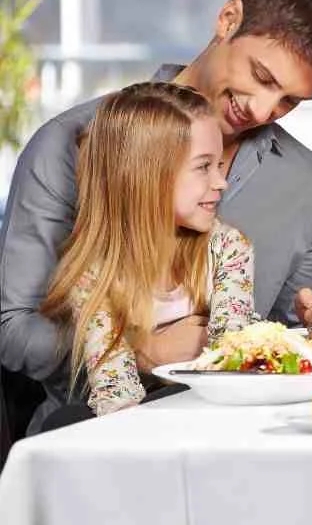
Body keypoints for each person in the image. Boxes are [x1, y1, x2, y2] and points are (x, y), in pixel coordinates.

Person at [0, 0, 312, 433]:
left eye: (290, 101)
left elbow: (285, 342)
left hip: (250, 436)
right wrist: (142, 351)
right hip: (94, 432)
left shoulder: (310, 183)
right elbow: (11, 331)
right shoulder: (71, 143)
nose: (262, 110)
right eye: (263, 77)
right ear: (228, 19)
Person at [40, 83, 254, 418]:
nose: (221, 182)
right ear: (147, 176)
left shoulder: (228, 248)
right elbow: (116, 390)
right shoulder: (94, 272)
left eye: (219, 164)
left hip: (212, 411)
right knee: (67, 419)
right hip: (142, 422)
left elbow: (233, 354)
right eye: (203, 166)